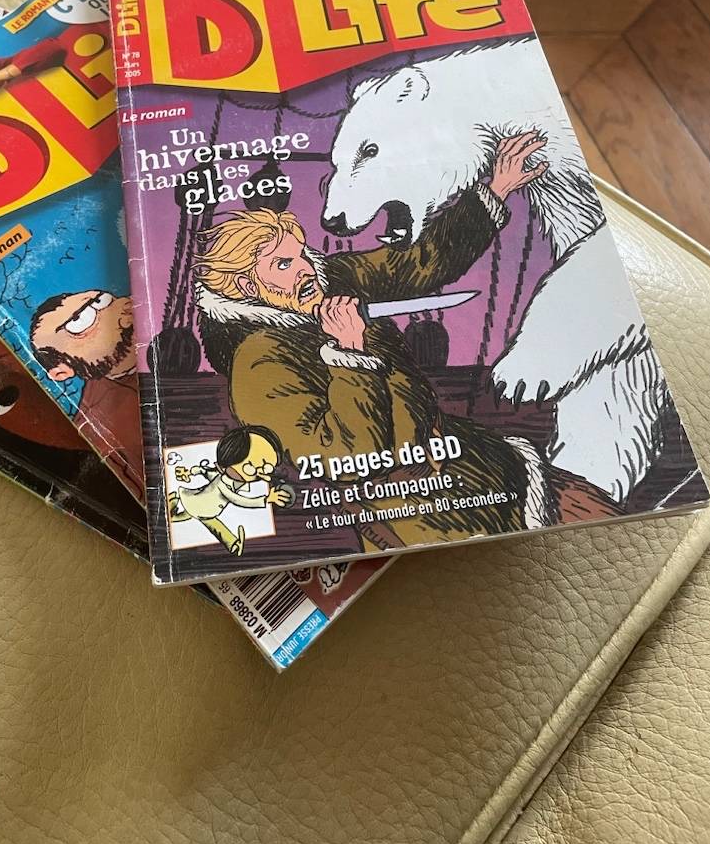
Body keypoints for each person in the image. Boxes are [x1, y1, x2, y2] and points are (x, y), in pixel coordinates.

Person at [193, 134, 555, 553]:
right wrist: (348, 355)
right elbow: (346, 457)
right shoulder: (257, 362)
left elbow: (420, 262)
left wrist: (494, 190)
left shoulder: (334, 279)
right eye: (284, 264)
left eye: (303, 254)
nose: (306, 269)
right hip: (406, 507)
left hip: (469, 459)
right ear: (245, 286)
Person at [29, 290, 143, 494]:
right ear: (62, 371)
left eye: (102, 301)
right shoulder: (100, 431)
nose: (125, 304)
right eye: (80, 320)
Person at [167, 424, 292, 556]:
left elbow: (206, 472)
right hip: (199, 504)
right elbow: (239, 500)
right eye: (252, 465)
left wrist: (193, 472)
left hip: (208, 511)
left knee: (207, 524)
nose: (261, 472)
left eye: (267, 467)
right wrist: (266, 499)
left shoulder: (229, 480)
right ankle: (171, 503)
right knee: (209, 523)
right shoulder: (224, 485)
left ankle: (233, 545)